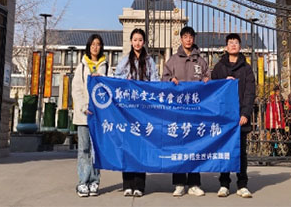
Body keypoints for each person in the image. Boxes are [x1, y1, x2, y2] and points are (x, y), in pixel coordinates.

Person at [162, 26, 210, 197]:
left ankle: (194, 183)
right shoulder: (173, 60)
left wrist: (207, 79)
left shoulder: (201, 61)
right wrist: (171, 79)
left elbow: (209, 79)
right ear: (181, 39)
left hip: (196, 111)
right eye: (185, 37)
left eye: (191, 37)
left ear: (194, 39)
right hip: (178, 111)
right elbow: (164, 78)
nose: (188, 40)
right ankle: (179, 183)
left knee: (196, 147)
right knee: (179, 146)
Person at [113, 28, 159, 197]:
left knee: (141, 147)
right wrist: (125, 81)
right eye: (135, 40)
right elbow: (116, 78)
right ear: (131, 42)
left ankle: (139, 185)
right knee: (127, 146)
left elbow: (155, 81)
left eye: (140, 40)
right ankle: (127, 184)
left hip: (143, 110)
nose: (137, 43)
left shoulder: (149, 61)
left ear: (144, 42)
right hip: (127, 110)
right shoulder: (125, 60)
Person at [211, 33, 256, 198]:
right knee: (224, 150)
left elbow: (250, 92)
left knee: (241, 152)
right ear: (226, 47)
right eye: (230, 42)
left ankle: (242, 184)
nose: (233, 45)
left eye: (236, 42)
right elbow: (212, 89)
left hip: (239, 118)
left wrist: (245, 113)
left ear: (240, 46)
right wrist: (224, 81)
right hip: (223, 117)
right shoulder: (219, 67)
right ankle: (224, 184)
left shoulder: (246, 68)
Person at [71, 34, 108, 197]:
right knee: (84, 149)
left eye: (98, 44)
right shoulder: (82, 66)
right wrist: (83, 107)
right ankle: (82, 182)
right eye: (93, 44)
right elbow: (76, 90)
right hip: (84, 116)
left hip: (99, 116)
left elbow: (110, 88)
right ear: (88, 46)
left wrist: (103, 79)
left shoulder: (106, 66)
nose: (95, 47)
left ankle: (94, 181)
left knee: (96, 150)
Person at [265, 85, 286, 156]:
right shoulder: (272, 98)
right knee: (274, 136)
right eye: (278, 91)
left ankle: (277, 150)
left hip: (276, 121)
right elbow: (273, 110)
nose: (279, 92)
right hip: (273, 121)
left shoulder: (278, 98)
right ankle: (273, 151)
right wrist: (278, 121)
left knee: (277, 136)